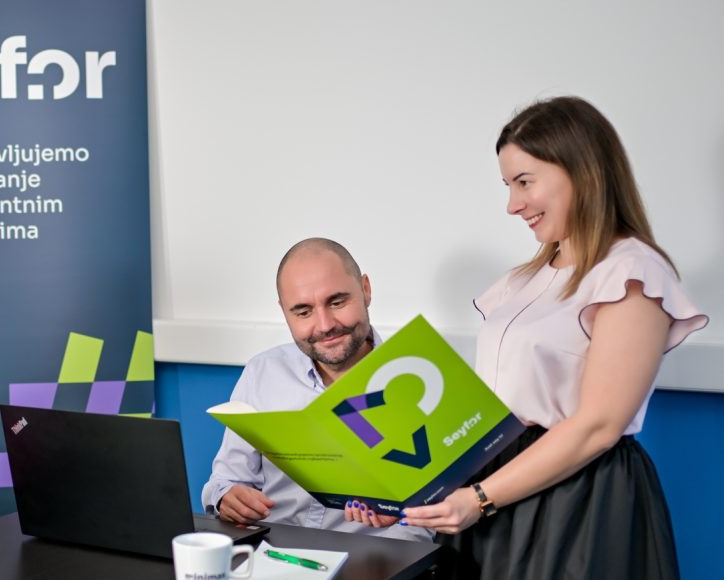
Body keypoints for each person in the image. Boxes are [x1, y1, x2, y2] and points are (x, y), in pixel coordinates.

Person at [400, 97, 708, 578]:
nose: (513, 205)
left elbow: (599, 425)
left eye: (525, 182)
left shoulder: (632, 272)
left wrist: (479, 498)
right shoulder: (525, 279)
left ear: (583, 172)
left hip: (577, 502)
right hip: (496, 495)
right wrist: (407, 495)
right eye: (508, 186)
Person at [202, 238, 431, 542]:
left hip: (372, 554)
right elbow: (226, 480)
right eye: (303, 312)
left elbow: (424, 523)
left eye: (337, 303)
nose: (324, 325)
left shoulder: (420, 382)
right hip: (270, 550)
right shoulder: (263, 371)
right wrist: (226, 497)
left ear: (365, 289)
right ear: (284, 311)